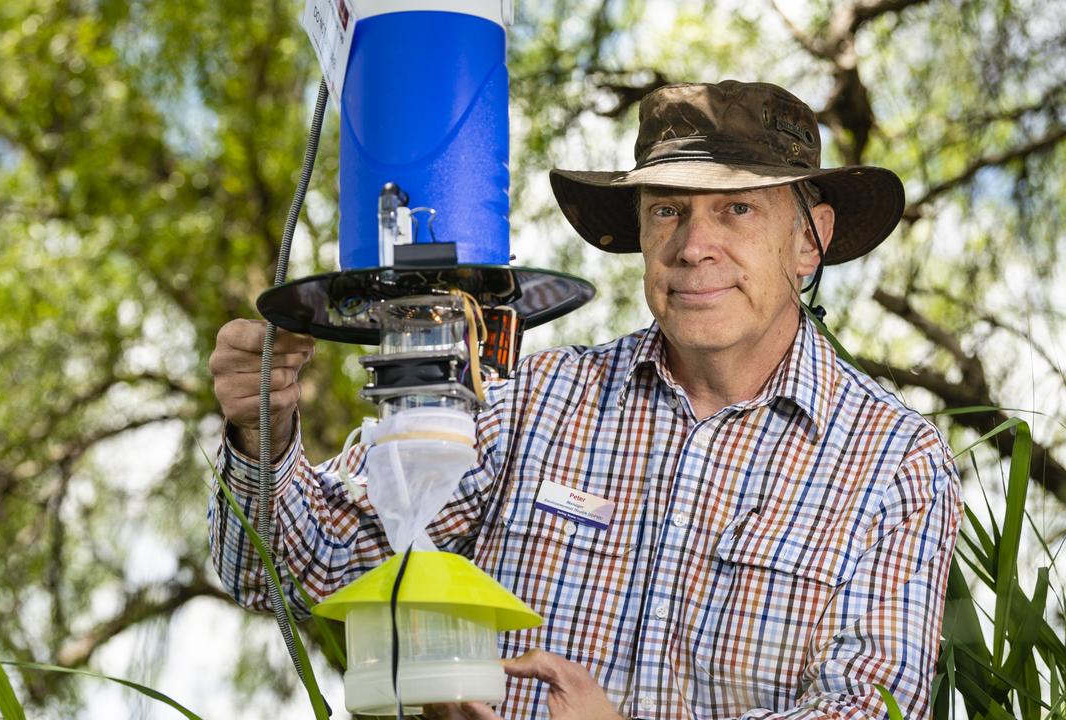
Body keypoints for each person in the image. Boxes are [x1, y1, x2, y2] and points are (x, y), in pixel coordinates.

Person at [208, 80, 962, 720]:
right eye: (667, 210)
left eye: (737, 210)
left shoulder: (893, 461)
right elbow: (293, 569)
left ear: (809, 241)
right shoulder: (534, 400)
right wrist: (262, 434)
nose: (694, 245)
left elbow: (866, 706)